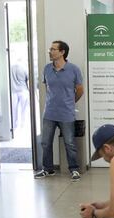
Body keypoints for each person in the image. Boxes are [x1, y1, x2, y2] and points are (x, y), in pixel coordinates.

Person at [34, 40, 84, 181]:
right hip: (49, 112)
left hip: (67, 113)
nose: (50, 51)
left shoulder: (74, 69)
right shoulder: (47, 69)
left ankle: (74, 170)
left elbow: (80, 90)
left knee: (69, 142)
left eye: (53, 49)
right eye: (50, 49)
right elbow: (46, 87)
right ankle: (47, 169)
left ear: (62, 52)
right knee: (45, 142)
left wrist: (69, 102)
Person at [10, 61, 29, 130]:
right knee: (23, 109)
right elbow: (28, 79)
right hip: (23, 90)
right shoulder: (24, 68)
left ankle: (14, 125)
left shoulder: (10, 68)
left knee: (14, 110)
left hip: (13, 91)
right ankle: (22, 125)